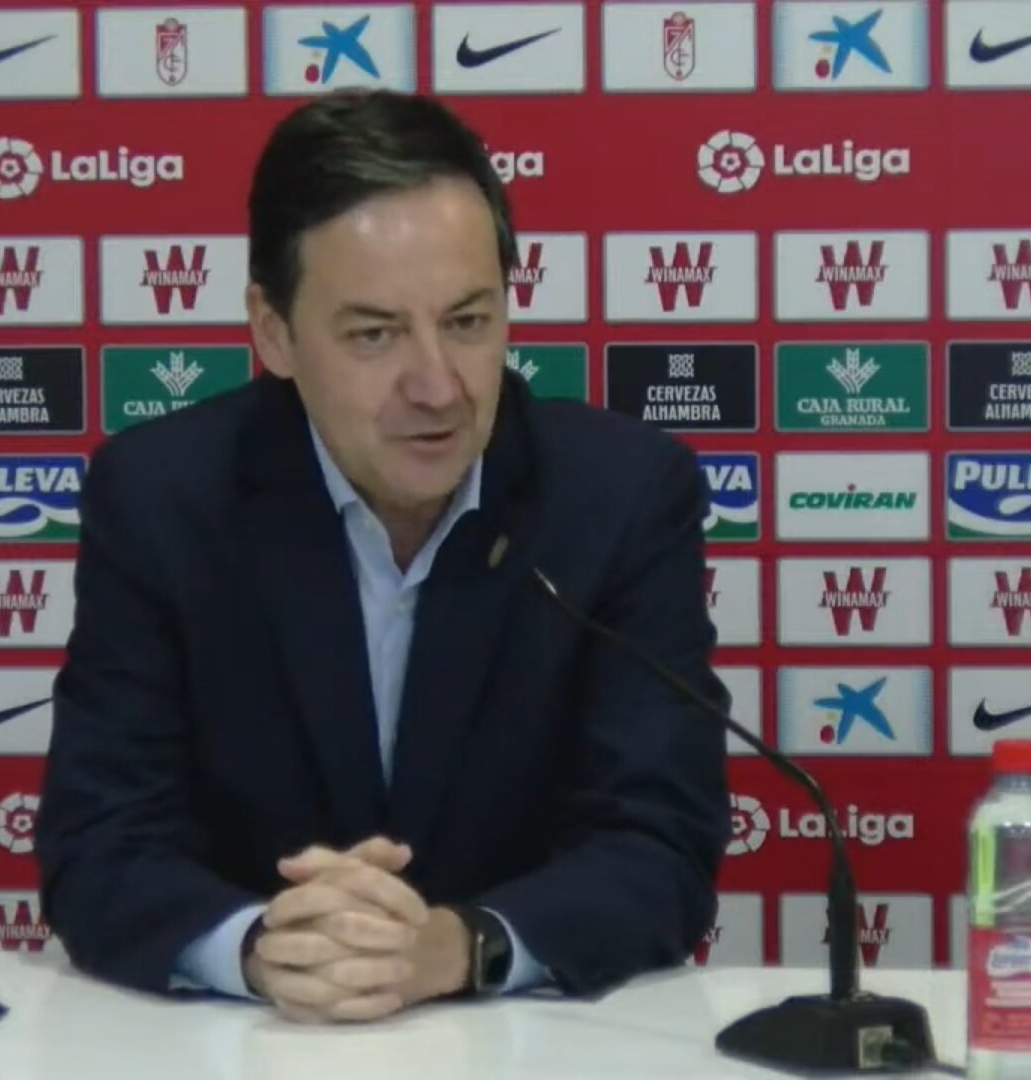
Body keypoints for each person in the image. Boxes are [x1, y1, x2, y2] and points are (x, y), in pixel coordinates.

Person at [36, 89, 731, 1025]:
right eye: (375, 334)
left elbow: (659, 845)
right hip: (253, 1040)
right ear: (274, 332)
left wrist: (454, 946)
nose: (437, 386)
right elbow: (101, 842)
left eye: (468, 322)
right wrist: (263, 948)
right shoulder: (164, 500)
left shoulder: (618, 498)